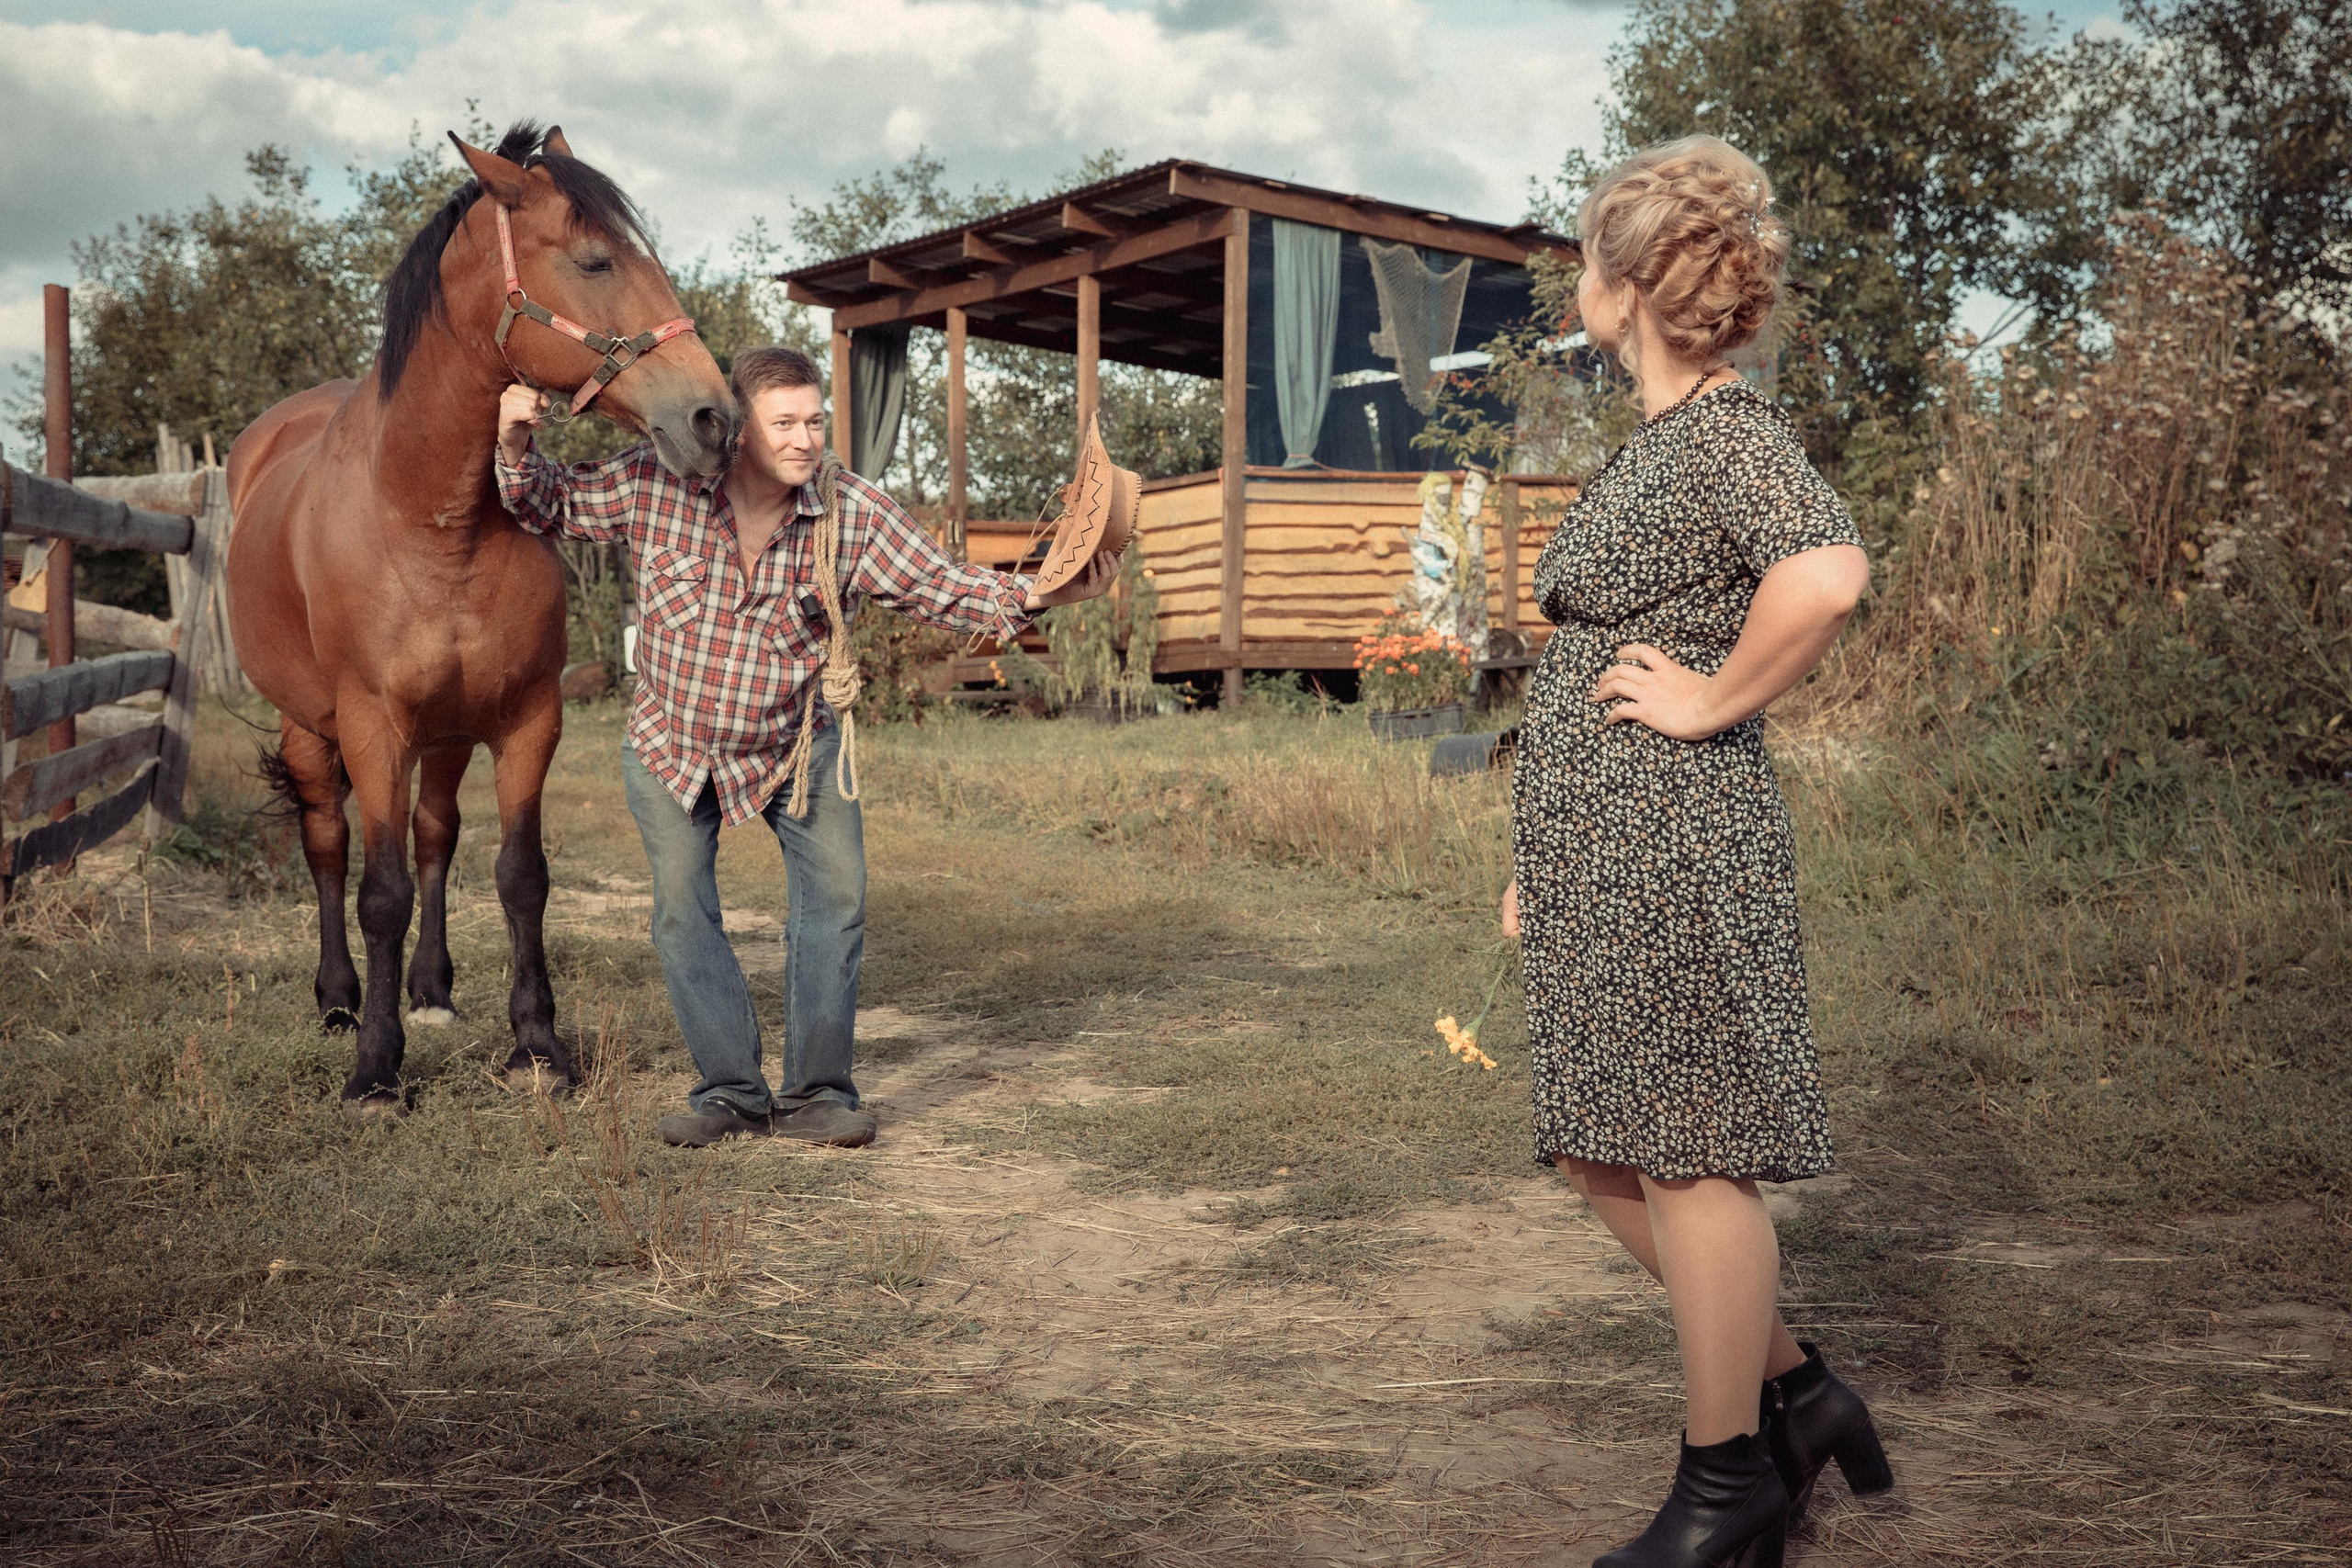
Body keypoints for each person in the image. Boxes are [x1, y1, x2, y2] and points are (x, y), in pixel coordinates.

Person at [1500, 138, 1888, 1567]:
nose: (1572, 288)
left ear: (1619, 285)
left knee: (1688, 1154)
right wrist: (1546, 855)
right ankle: (1800, 1392)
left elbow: (1830, 573)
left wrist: (1715, 699)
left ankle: (1729, 1484)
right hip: (1605, 846)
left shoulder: (1727, 434)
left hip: (1674, 840)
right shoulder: (1666, 440)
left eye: (1583, 262)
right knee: (1601, 1152)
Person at [495, 345, 1118, 1150]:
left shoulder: (850, 511)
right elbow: (548, 501)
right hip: (671, 745)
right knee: (683, 913)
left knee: (837, 901)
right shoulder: (659, 482)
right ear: (738, 429)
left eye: (815, 421)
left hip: (799, 745)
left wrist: (1047, 588)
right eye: (784, 422)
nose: (805, 438)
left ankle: (820, 1093)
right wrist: (514, 441)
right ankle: (728, 1093)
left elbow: (944, 585)